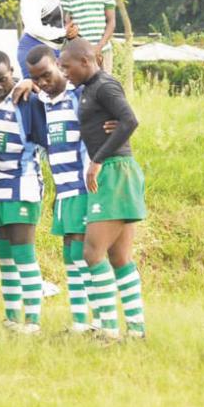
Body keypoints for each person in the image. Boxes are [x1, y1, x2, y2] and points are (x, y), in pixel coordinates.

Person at [59, 38, 146, 340]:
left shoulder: (104, 86)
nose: (64, 72)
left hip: (114, 173)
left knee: (92, 252)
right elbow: (120, 122)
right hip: (115, 171)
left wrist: (97, 159)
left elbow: (130, 120)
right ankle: (136, 331)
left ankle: (108, 330)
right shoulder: (88, 88)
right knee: (120, 258)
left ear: (86, 61)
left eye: (67, 67)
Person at [26, 45, 96, 333]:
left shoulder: (79, 95)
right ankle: (79, 322)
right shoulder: (44, 101)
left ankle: (97, 322)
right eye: (37, 78)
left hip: (83, 188)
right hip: (63, 192)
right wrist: (25, 83)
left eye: (47, 75)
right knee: (69, 255)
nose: (43, 82)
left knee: (83, 255)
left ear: (59, 65)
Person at [0, 50, 45, 334]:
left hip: (22, 184)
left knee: (23, 253)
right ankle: (11, 317)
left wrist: (33, 83)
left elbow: (44, 138)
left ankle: (32, 322)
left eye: (2, 79)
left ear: (12, 73)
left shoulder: (27, 100)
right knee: (4, 255)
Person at [17, 0, 78, 79]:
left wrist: (70, 31)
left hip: (53, 50)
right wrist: (63, 32)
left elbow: (57, 22)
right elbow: (35, 28)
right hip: (33, 49)